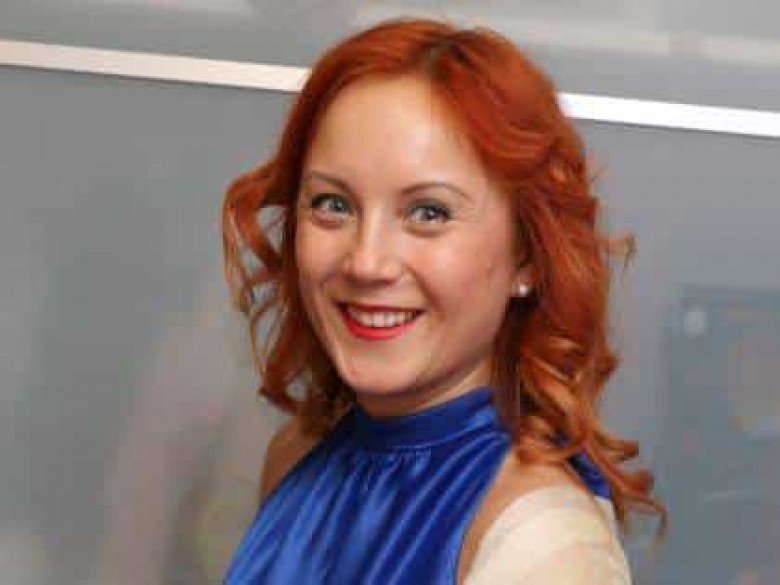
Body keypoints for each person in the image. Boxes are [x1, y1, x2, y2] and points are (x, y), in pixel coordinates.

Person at [221, 16, 667, 584]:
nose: (366, 262)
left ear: (527, 256)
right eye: (333, 204)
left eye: (428, 212)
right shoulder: (295, 457)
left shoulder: (541, 542)